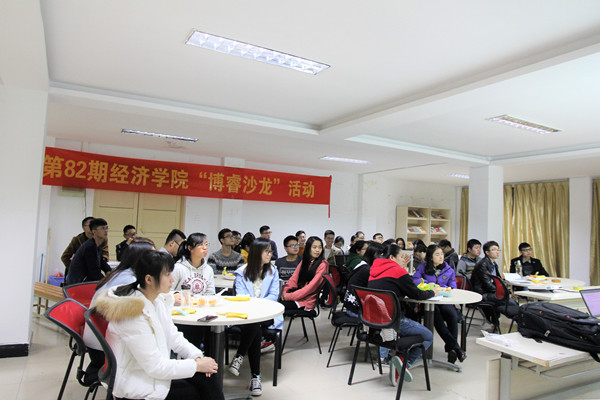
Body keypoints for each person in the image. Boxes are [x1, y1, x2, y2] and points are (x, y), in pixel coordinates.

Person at [93, 250, 224, 400]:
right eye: (167, 275)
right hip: (139, 385)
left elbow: (173, 337)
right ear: (149, 279)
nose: (172, 279)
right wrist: (197, 366)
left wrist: (197, 357)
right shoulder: (132, 314)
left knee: (208, 377)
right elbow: (155, 366)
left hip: (153, 375)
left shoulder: (156, 300)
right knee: (197, 391)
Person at [82, 237, 155, 385]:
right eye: (153, 257)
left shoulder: (122, 273)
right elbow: (142, 309)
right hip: (103, 347)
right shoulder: (129, 280)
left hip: (97, 340)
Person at [368, 244, 437, 385]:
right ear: (392, 257)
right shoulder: (397, 272)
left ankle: (398, 359)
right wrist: (432, 292)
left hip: (375, 322)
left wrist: (401, 268)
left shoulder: (374, 270)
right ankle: (403, 362)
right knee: (428, 336)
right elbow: (417, 294)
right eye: (401, 257)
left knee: (412, 327)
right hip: (393, 320)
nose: (403, 259)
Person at [228, 238, 282, 396]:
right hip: (247, 314)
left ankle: (239, 356)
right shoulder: (241, 272)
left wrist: (258, 307)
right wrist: (254, 308)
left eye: (271, 251)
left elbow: (274, 295)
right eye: (267, 251)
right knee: (254, 326)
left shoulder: (273, 271)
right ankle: (255, 377)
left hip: (267, 313)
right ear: (257, 252)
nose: (270, 254)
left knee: (255, 324)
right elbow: (241, 297)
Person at [413, 245, 466, 363]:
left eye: (442, 254)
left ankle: (451, 349)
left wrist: (442, 287)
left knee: (452, 315)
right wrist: (428, 284)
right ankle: (456, 348)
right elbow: (415, 280)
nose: (441, 257)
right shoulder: (422, 267)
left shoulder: (448, 269)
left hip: (444, 300)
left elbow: (453, 287)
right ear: (430, 257)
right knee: (436, 317)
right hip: (428, 301)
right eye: (437, 254)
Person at [471, 241, 519, 322]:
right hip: (482, 293)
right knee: (507, 301)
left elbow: (498, 280)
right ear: (487, 252)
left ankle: (495, 320)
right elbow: (487, 285)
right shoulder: (483, 264)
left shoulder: (493, 264)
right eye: (494, 250)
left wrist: (507, 291)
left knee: (511, 301)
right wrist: (504, 294)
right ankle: (495, 320)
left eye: (498, 250)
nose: (497, 252)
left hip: (490, 291)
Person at [280, 236, 329, 311]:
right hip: (296, 295)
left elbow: (310, 288)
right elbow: (293, 280)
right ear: (308, 248)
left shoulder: (323, 264)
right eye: (314, 247)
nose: (317, 250)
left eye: (320, 247)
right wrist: (284, 292)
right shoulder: (305, 261)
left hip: (306, 302)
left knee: (278, 307)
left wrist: (289, 296)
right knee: (275, 304)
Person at [343, 241, 386, 318]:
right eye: (383, 256)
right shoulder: (368, 270)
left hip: (351, 308)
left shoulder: (363, 265)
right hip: (357, 311)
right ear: (376, 256)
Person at [66, 218, 111, 285]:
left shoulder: (97, 245)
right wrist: (106, 281)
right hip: (78, 284)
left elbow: (102, 262)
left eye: (107, 228)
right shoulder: (89, 247)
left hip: (85, 282)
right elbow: (94, 272)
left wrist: (109, 271)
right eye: (102, 228)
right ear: (94, 231)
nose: (106, 231)